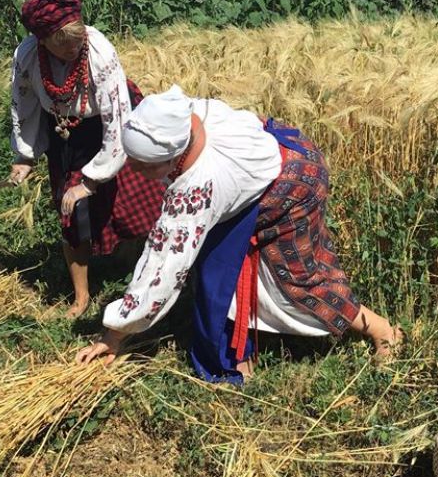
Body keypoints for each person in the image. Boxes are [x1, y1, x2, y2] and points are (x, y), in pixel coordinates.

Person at [74, 85, 403, 382]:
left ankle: (383, 330)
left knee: (297, 281)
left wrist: (113, 335)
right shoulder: (183, 114)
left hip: (294, 187)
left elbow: (161, 269)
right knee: (223, 268)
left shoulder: (198, 186)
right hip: (281, 154)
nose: (137, 172)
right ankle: (237, 355)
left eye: (145, 166)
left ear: (174, 155)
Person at [8, 0, 165, 317]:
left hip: (109, 128)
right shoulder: (28, 56)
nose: (74, 49)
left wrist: (92, 179)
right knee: (72, 213)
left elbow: (117, 119)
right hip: (64, 132)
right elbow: (25, 105)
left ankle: (143, 270)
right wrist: (26, 155)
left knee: (137, 205)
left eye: (78, 41)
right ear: (44, 40)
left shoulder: (98, 52)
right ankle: (81, 296)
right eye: (64, 46)